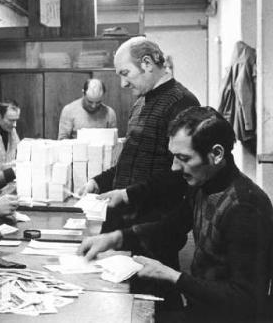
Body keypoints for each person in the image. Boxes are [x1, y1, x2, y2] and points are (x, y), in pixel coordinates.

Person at [79, 107, 273, 322]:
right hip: (201, 312)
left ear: (216, 154)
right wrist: (115, 238)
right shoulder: (203, 184)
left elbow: (246, 300)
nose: (174, 167)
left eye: (183, 158)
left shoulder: (246, 207)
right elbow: (171, 227)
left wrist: (172, 276)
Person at [79, 38, 199, 280]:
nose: (122, 83)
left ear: (147, 63)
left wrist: (127, 194)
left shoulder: (182, 102)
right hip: (124, 224)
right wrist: (98, 181)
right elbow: (130, 159)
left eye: (126, 73)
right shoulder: (140, 102)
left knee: (152, 305)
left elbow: (179, 175)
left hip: (153, 230)